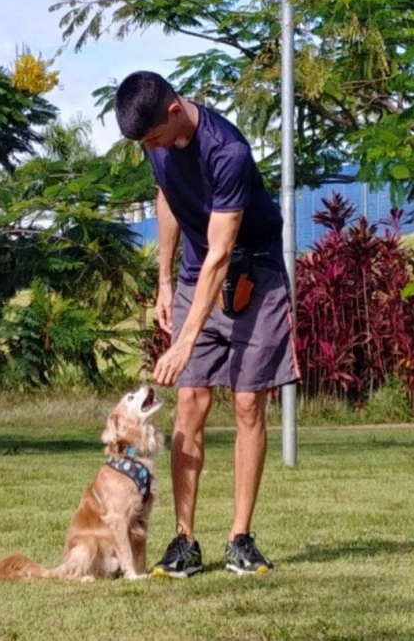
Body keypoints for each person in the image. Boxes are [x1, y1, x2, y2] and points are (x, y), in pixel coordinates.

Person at [114, 70, 299, 578]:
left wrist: (185, 340)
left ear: (173, 112)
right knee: (190, 404)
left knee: (246, 404)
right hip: (196, 275)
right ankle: (184, 540)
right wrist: (165, 281)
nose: (152, 147)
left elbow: (221, 253)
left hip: (252, 275)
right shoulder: (156, 142)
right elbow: (167, 199)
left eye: (153, 138)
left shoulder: (227, 152)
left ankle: (240, 538)